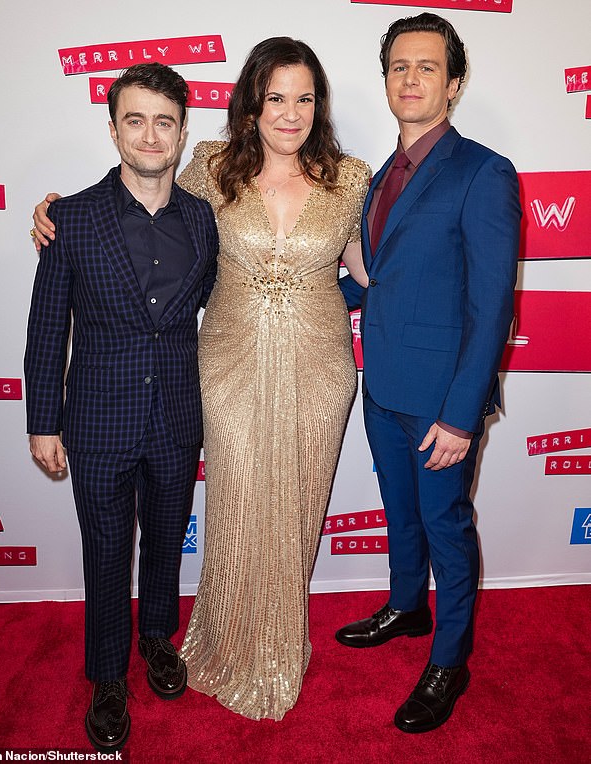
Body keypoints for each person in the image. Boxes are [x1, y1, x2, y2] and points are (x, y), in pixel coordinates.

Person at [32, 37, 370, 721]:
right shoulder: (209, 171)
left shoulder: (351, 179)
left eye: (304, 98)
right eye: (276, 96)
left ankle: (233, 642)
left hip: (315, 367)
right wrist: (52, 213)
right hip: (221, 368)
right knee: (225, 512)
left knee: (279, 514)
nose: (290, 111)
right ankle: (139, 663)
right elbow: (127, 216)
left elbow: (372, 266)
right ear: (249, 103)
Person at [24, 63, 218, 751]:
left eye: (165, 120)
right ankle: (108, 675)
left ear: (182, 130)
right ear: (113, 130)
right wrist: (42, 420)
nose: (150, 133)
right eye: (134, 119)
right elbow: (48, 327)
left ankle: (158, 639)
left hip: (176, 415)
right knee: (106, 550)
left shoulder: (202, 218)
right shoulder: (69, 218)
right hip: (98, 419)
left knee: (166, 539)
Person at [336, 13, 521, 733]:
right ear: (385, 80)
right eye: (398, 67)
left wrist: (461, 412)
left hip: (442, 397)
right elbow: (374, 278)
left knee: (446, 524)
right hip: (381, 387)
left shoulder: (483, 171)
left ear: (453, 81)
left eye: (426, 67)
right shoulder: (379, 175)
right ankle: (408, 606)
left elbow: (491, 304)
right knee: (401, 516)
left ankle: (451, 658)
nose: (410, 79)